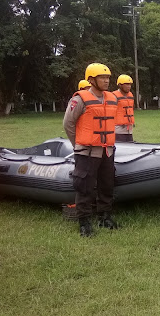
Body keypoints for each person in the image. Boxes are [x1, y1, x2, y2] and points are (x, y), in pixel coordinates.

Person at [63, 63, 119, 237]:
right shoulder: (79, 99)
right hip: (87, 151)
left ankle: (105, 216)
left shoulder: (111, 98)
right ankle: (84, 222)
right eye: (103, 77)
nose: (106, 80)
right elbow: (68, 124)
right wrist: (78, 144)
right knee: (85, 186)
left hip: (107, 151)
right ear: (91, 80)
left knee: (107, 185)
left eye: (108, 77)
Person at [114, 74, 135, 142]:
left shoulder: (130, 95)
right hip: (118, 130)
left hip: (129, 129)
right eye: (126, 84)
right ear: (120, 85)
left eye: (130, 84)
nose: (129, 86)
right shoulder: (113, 96)